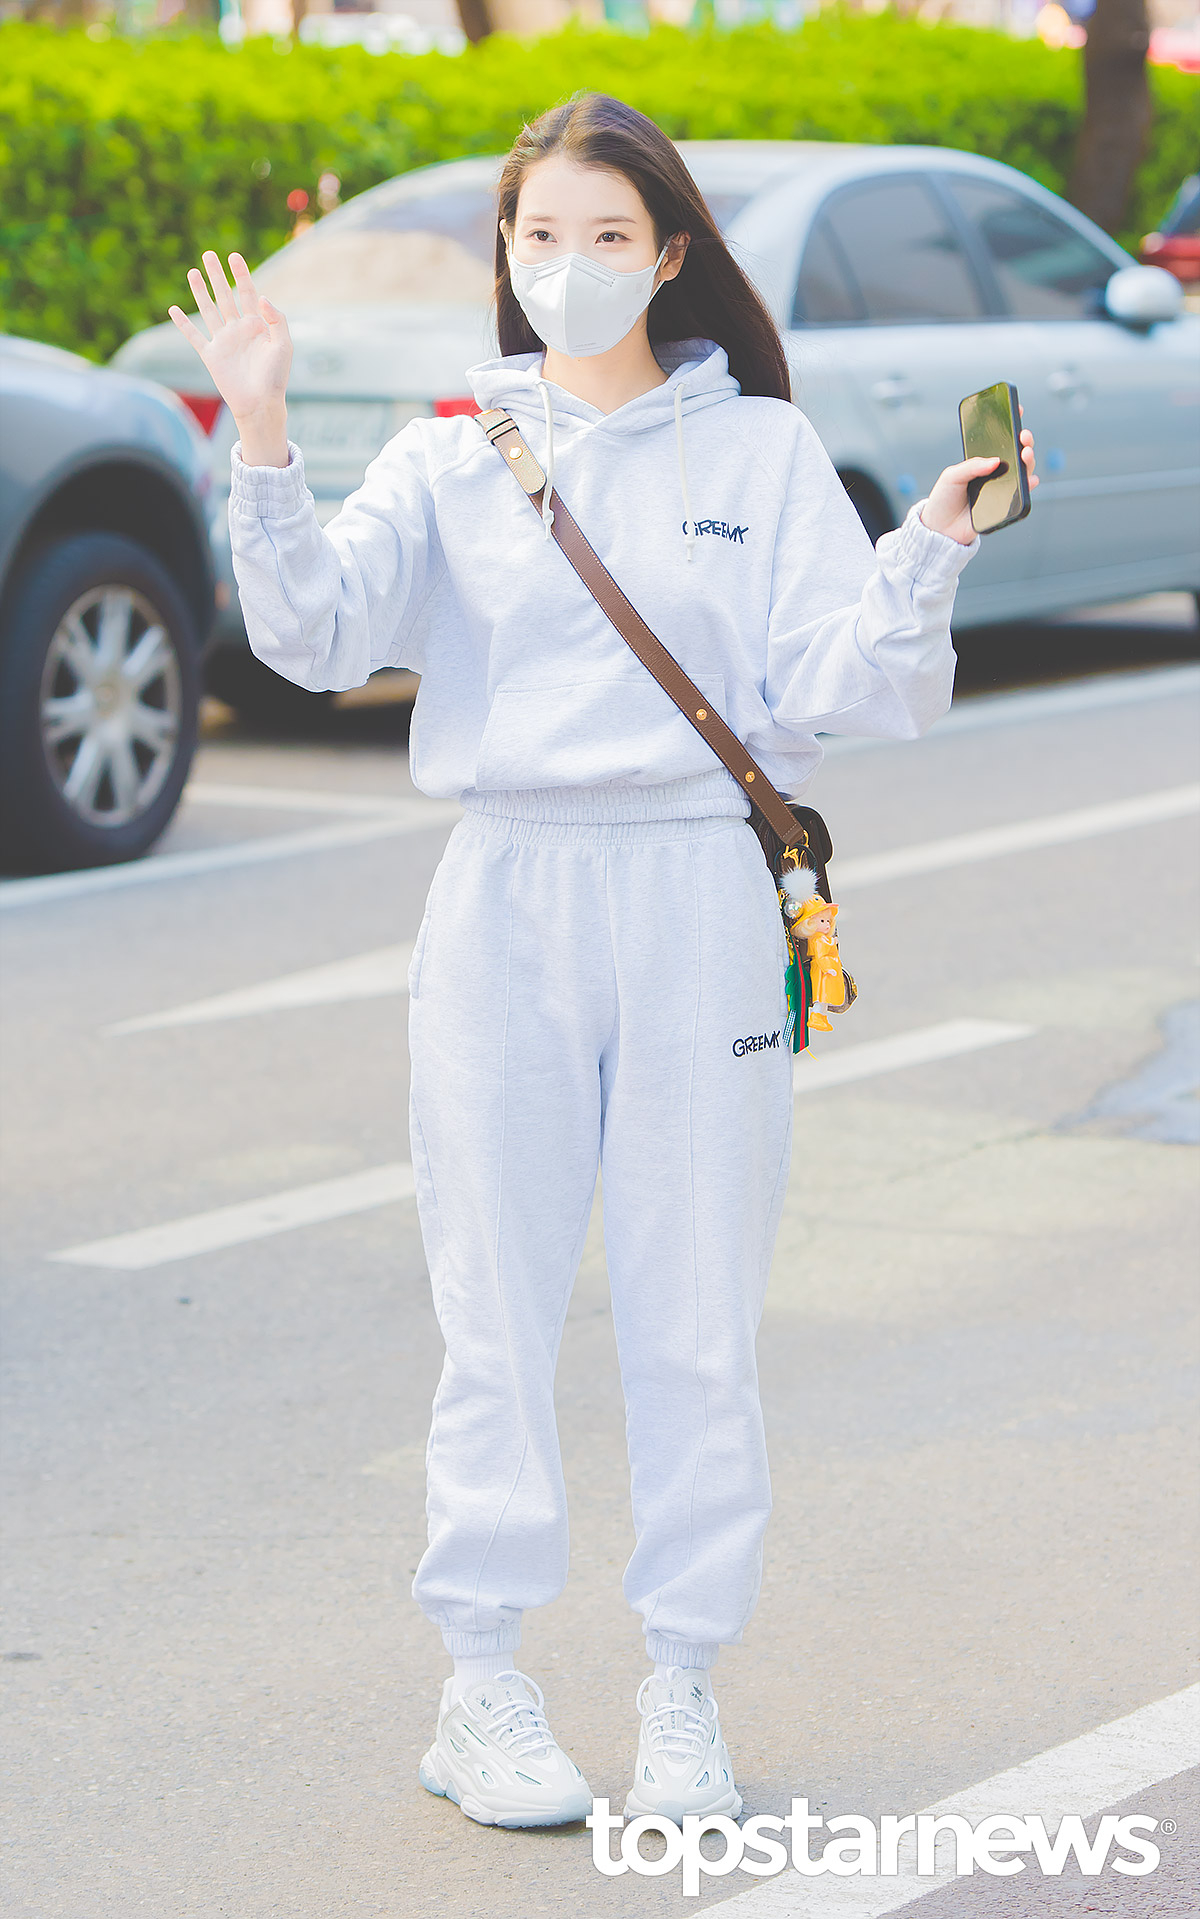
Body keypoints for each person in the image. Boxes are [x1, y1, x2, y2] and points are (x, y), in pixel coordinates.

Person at [169, 91, 1037, 1834]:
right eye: (540, 239)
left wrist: (932, 542)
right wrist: (257, 427)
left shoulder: (764, 456)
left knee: (692, 1316)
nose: (570, 269)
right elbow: (313, 636)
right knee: (491, 1308)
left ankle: (683, 1687)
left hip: (698, 896)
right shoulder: (445, 460)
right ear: (506, 258)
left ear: (672, 253)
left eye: (608, 238)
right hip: (507, 895)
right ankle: (479, 1684)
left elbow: (840, 691)